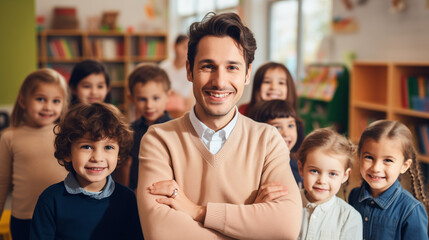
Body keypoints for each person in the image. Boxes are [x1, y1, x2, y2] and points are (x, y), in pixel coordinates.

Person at [137, 12, 302, 239]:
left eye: (232, 67)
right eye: (207, 66)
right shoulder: (159, 140)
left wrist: (198, 211)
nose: (220, 81)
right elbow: (161, 233)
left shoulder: (269, 139)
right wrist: (251, 223)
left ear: (247, 74)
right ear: (189, 70)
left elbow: (286, 227)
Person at [30, 103, 143, 240]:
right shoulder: (50, 199)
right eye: (87, 146)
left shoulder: (127, 199)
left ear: (118, 155)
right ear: (67, 153)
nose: (97, 158)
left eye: (108, 147)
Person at [0, 68, 69, 240]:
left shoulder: (67, 134)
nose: (48, 106)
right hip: (24, 219)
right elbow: (2, 182)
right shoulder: (9, 136)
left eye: (56, 101)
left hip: (63, 215)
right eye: (40, 99)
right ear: (23, 101)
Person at [348, 120, 429, 239]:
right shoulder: (354, 196)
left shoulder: (411, 210)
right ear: (359, 156)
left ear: (404, 166)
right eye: (369, 157)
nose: (376, 168)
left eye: (388, 160)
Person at [296, 128, 362, 239]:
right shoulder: (288, 203)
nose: (322, 181)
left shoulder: (349, 217)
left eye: (332, 174)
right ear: (301, 168)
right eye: (314, 171)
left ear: (345, 175)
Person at [126, 64, 172, 190]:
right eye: (142, 99)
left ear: (168, 96)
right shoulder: (129, 131)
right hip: (135, 195)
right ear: (131, 99)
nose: (149, 105)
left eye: (156, 98)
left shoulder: (175, 131)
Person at [248, 99, 303, 186]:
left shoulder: (296, 165)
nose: (286, 133)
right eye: (277, 127)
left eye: (290, 125)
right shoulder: (255, 168)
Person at [160, 34, 194, 117]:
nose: (187, 51)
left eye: (189, 49)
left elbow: (191, 95)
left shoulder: (191, 69)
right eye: (184, 47)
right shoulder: (164, 67)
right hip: (165, 107)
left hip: (185, 109)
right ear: (174, 46)